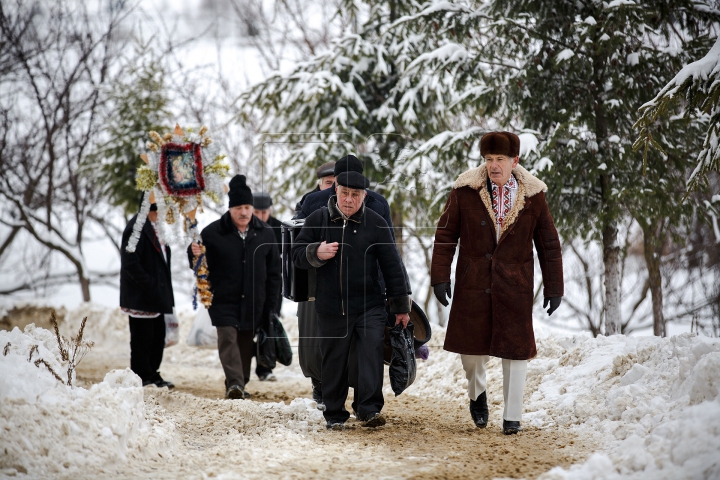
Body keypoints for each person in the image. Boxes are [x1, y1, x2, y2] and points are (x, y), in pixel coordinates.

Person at [430, 131, 563, 435]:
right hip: (473, 282)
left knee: (515, 352)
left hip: (514, 285)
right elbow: (445, 235)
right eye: (489, 159)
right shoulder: (465, 191)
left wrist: (555, 287)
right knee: (472, 354)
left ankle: (512, 417)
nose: (493, 165)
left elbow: (549, 244)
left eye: (499, 159)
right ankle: (478, 397)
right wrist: (440, 276)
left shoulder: (534, 196)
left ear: (515, 161)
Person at [292, 169, 411, 430]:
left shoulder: (376, 223)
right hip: (331, 306)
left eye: (355, 195)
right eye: (344, 192)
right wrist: (316, 252)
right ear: (336, 190)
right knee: (334, 360)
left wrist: (401, 306)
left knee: (370, 355)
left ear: (364, 196)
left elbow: (393, 266)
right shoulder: (317, 219)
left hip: (370, 305)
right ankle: (334, 414)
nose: (349, 199)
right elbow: (297, 254)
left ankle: (368, 409)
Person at [188, 175, 281, 400]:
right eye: (239, 207)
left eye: (248, 207)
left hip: (253, 301)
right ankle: (236, 384)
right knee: (228, 338)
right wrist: (194, 254)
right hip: (223, 300)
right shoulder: (211, 233)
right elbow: (198, 265)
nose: (244, 212)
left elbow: (274, 274)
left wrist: (272, 306)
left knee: (245, 345)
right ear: (230, 209)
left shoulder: (266, 234)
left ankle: (238, 382)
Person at [292, 161, 336, 409]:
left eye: (335, 183)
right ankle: (318, 386)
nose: (331, 188)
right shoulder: (308, 204)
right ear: (320, 184)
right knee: (312, 338)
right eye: (327, 183)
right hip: (312, 281)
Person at [120, 202, 175, 389]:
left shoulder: (157, 227)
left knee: (157, 337)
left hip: (156, 296)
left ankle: (152, 373)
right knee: (143, 339)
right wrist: (148, 284)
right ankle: (142, 376)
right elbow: (130, 262)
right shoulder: (136, 227)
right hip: (141, 297)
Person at [252, 191, 283, 382]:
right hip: (251, 286)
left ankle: (265, 368)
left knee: (268, 326)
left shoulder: (279, 228)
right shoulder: (246, 226)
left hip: (272, 286)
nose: (261, 216)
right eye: (257, 212)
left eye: (264, 212)